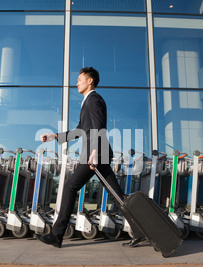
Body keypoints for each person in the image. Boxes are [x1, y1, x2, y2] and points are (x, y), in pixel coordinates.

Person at [38, 67, 145, 248]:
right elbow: (80, 129)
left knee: (70, 187)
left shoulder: (94, 99)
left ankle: (57, 235)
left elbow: (99, 126)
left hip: (94, 154)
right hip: (98, 154)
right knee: (117, 195)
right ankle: (140, 230)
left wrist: (94, 151)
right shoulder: (87, 101)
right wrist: (56, 136)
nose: (77, 82)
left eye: (80, 79)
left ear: (90, 81)